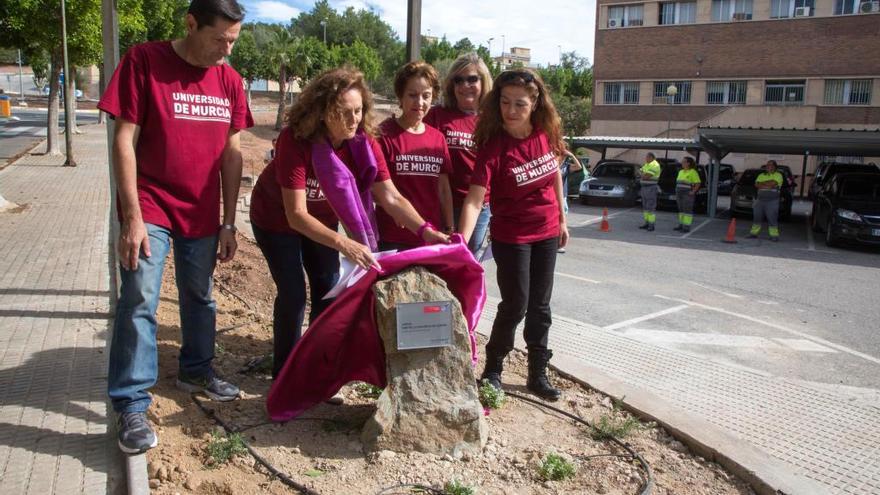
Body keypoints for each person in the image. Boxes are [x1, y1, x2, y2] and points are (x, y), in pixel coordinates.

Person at [98, 0, 253, 454]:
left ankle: (196, 370)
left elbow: (233, 153)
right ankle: (130, 403)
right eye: (219, 39)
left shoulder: (230, 81)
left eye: (234, 40)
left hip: (202, 213)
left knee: (200, 295)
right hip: (151, 204)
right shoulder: (144, 61)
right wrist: (131, 217)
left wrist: (228, 221)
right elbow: (123, 139)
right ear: (190, 24)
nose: (226, 50)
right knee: (141, 296)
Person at [248, 66, 449, 385]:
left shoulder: (366, 144)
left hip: (321, 222)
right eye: (343, 112)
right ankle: (284, 373)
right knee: (293, 294)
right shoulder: (295, 140)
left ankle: (315, 367)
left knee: (328, 293)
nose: (353, 120)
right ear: (322, 111)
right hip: (276, 220)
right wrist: (346, 244)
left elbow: (391, 198)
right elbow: (296, 215)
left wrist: (427, 231)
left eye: (358, 111)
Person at [458, 68, 568, 402]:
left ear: (535, 103)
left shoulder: (545, 133)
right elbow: (475, 200)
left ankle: (538, 371)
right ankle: (493, 368)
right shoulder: (494, 147)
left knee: (541, 305)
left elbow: (556, 175)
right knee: (516, 303)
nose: (511, 110)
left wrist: (563, 220)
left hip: (547, 231)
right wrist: (461, 243)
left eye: (520, 103)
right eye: (505, 102)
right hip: (512, 236)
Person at [376, 61, 453, 251]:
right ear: (400, 97)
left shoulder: (438, 138)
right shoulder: (382, 135)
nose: (419, 102)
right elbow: (376, 191)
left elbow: (443, 188)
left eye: (426, 96)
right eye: (412, 95)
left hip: (431, 237)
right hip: (393, 237)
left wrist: (450, 227)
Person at [425, 53, 493, 255]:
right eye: (458, 80)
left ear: (483, 81)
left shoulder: (491, 121)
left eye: (472, 79)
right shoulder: (436, 115)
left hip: (479, 207)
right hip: (440, 203)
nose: (465, 85)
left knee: (467, 261)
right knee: (439, 260)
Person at [749, 160, 784, 241]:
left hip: (772, 201)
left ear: (775, 167)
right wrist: (767, 185)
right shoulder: (761, 175)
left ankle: (774, 235)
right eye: (767, 165)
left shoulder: (778, 175)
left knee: (772, 217)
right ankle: (753, 233)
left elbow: (773, 183)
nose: (768, 166)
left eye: (770, 165)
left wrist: (763, 184)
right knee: (757, 216)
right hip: (760, 200)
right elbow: (757, 185)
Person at [674, 157, 701, 233]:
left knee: (687, 210)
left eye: (683, 162)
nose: (682, 163)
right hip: (679, 193)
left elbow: (698, 183)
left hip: (687, 194)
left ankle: (686, 227)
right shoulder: (681, 172)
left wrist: (693, 192)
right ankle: (681, 225)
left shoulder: (693, 172)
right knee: (681, 209)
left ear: (688, 163)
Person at [639, 152, 661, 231]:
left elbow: (646, 176)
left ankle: (651, 225)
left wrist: (643, 174)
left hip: (651, 188)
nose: (645, 158)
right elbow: (639, 172)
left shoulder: (655, 165)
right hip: (644, 188)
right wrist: (643, 174)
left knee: (650, 206)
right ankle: (646, 223)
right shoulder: (647, 164)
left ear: (651, 157)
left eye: (647, 157)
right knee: (645, 207)